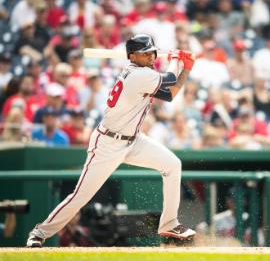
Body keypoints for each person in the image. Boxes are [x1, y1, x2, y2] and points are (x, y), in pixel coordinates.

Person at [26, 34, 196, 247]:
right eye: (146, 54)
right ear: (132, 56)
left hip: (133, 140)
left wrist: (186, 68)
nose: (152, 57)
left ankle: (169, 224)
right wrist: (176, 59)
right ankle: (39, 232)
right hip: (108, 143)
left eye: (152, 52)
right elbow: (170, 78)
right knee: (81, 196)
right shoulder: (137, 74)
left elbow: (170, 94)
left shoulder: (144, 73)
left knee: (172, 164)